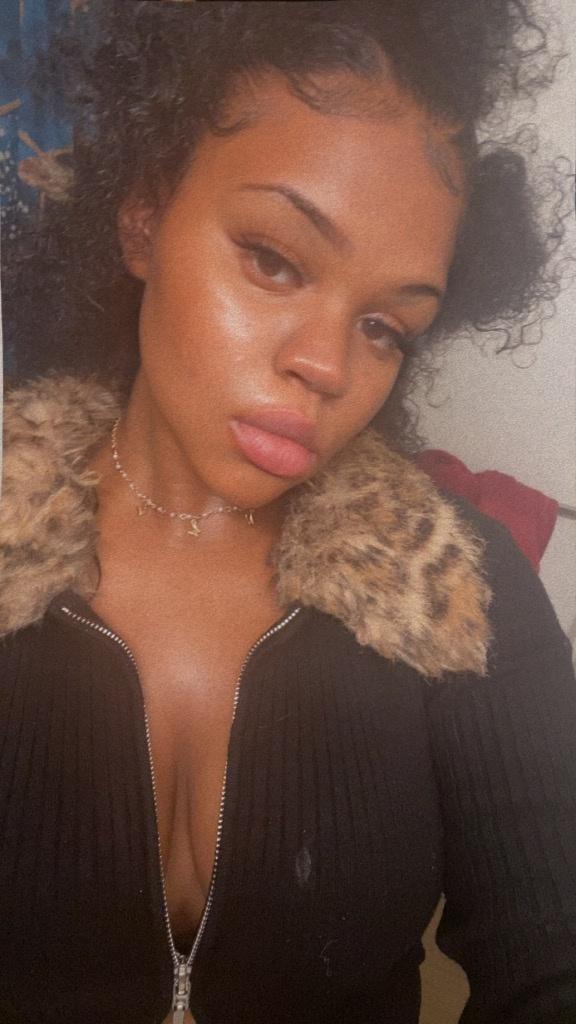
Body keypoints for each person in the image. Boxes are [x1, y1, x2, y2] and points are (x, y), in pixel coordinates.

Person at [1, 2, 575, 1023]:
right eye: (274, 259)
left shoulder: (464, 597)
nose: (327, 365)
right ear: (144, 215)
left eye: (385, 325)